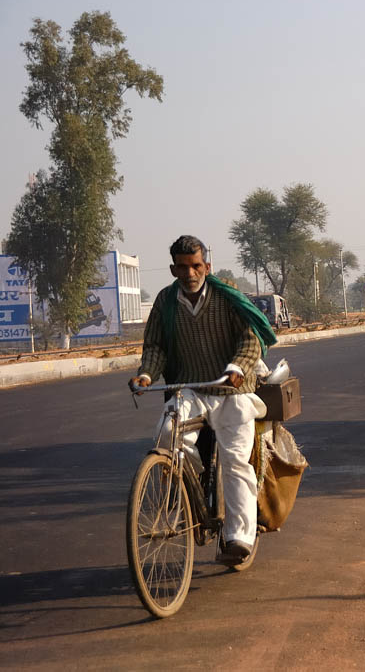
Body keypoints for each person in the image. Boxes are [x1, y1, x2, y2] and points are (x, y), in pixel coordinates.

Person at [129, 235, 276, 563]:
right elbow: (155, 347)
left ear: (207, 266)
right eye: (182, 267)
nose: (190, 272)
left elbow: (251, 338)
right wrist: (147, 375)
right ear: (173, 269)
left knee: (236, 460)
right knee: (167, 435)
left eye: (196, 266)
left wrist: (238, 366)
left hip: (231, 390)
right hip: (190, 388)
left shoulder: (227, 297)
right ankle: (192, 486)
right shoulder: (166, 302)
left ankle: (239, 537)